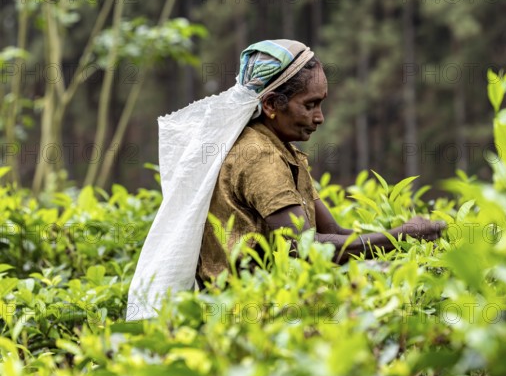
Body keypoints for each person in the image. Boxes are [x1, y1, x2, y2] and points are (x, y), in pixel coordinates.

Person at [127, 39, 443, 321]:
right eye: (310, 105)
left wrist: (402, 240)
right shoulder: (258, 155)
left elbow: (331, 233)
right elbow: (307, 246)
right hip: (244, 313)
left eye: (321, 104)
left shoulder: (281, 150)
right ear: (270, 105)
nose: (319, 117)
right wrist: (402, 235)